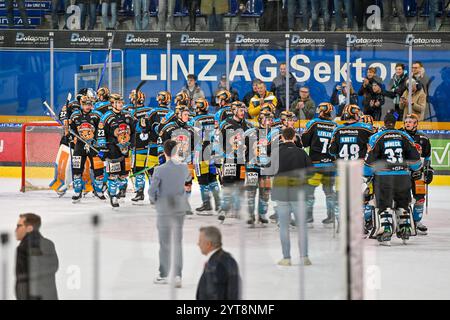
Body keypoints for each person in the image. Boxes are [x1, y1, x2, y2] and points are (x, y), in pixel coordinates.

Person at [364, 112, 422, 245]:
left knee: (384, 205)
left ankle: (386, 231)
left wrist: (366, 173)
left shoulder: (376, 137)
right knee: (403, 203)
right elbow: (415, 161)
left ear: (384, 123)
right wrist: (416, 169)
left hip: (384, 177)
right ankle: (405, 229)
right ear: (395, 123)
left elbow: (369, 161)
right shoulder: (405, 136)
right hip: (403, 177)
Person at [149, 140, 191, 288]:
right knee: (177, 242)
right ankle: (178, 275)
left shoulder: (159, 170)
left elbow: (151, 191)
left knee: (164, 243)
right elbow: (187, 181)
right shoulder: (184, 167)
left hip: (164, 209)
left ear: (164, 152)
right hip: (179, 207)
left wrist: (154, 201)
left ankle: (164, 274)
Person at [328, 104, 376, 233]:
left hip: (341, 171)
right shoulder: (366, 129)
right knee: (362, 199)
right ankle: (362, 225)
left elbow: (332, 151)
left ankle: (342, 224)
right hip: (359, 171)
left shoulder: (337, 130)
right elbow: (375, 146)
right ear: (355, 114)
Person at [272, 127, 312, 266]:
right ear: (295, 137)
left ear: (282, 137)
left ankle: (286, 258)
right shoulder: (301, 153)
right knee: (302, 226)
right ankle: (304, 257)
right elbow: (311, 172)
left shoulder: (276, 152)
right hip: (298, 192)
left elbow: (268, 170)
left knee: (284, 227)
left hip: (281, 192)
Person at [301, 103, 338, 226]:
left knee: (309, 192)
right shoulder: (335, 126)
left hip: (315, 165)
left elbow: (304, 142)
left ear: (321, 112)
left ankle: (308, 217)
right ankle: (331, 216)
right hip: (331, 166)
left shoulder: (314, 123)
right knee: (329, 192)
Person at [217, 101, 253, 222]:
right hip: (230, 160)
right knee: (227, 183)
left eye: (244, 110)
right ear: (234, 111)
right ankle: (224, 208)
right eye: (240, 110)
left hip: (242, 161)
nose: (243, 113)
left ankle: (236, 209)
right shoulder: (225, 124)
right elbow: (218, 142)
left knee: (240, 184)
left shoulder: (248, 125)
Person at [97, 94, 135, 207]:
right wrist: (102, 148)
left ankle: (115, 190)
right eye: (118, 103)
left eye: (122, 103)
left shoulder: (128, 115)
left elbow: (133, 132)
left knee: (123, 175)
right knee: (113, 175)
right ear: (112, 104)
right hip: (112, 150)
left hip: (125, 149)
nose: (121, 105)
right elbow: (100, 134)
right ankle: (113, 195)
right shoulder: (106, 117)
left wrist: (132, 143)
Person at [401, 113, 433, 235]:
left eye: (410, 121)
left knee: (420, 199)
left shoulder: (423, 138)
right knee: (402, 199)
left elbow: (427, 156)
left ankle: (416, 221)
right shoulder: (399, 135)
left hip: (418, 172)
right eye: (406, 121)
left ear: (416, 124)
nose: (407, 123)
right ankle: (402, 222)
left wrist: (428, 169)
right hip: (401, 172)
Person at [69, 95, 105, 202]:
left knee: (98, 169)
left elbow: (102, 130)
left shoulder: (97, 115)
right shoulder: (75, 116)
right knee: (76, 170)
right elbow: (72, 130)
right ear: (81, 104)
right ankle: (77, 192)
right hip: (80, 145)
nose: (87, 107)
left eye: (89, 104)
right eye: (85, 104)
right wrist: (70, 135)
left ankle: (98, 191)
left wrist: (100, 142)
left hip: (94, 145)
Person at [15, 213, 59, 300]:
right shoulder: (49, 244)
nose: (16, 230)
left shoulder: (23, 248)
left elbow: (23, 281)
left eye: (19, 226)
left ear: (29, 228)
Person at [189, 98, 221, 214]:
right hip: (213, 152)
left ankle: (206, 204)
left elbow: (191, 137)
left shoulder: (194, 120)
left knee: (203, 179)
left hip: (200, 153)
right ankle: (218, 203)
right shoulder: (214, 117)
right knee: (213, 178)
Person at [196, 226, 241, 300]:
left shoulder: (216, 265)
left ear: (208, 244)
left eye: (200, 241)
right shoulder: (228, 259)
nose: (198, 244)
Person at [128, 90, 151, 203]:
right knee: (151, 170)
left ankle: (139, 193)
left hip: (138, 145)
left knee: (138, 170)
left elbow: (135, 128)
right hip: (150, 146)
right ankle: (154, 194)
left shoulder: (131, 112)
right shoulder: (150, 111)